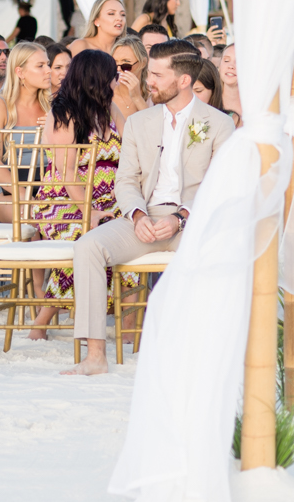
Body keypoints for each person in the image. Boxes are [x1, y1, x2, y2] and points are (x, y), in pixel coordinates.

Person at [67, 44, 234, 375]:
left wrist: (181, 218)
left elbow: (220, 187)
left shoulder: (218, 124)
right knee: (88, 246)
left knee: (223, 251)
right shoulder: (138, 122)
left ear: (184, 80)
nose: (149, 82)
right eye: (150, 73)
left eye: (157, 75)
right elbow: (125, 181)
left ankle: (209, 352)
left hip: (194, 221)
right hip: (143, 217)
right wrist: (138, 215)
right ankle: (95, 356)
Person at [27, 50, 125, 342]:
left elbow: (133, 146)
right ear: (98, 78)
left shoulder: (110, 109)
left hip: (110, 199)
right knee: (85, 239)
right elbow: (67, 173)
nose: (116, 80)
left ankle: (124, 321)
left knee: (130, 232)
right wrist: (89, 211)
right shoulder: (63, 114)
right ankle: (42, 321)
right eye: (112, 75)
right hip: (65, 201)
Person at [0, 41, 54, 196]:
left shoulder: (54, 106)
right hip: (12, 188)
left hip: (52, 185)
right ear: (20, 72)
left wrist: (56, 128)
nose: (49, 70)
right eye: (40, 66)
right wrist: (25, 198)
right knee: (30, 216)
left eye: (48, 64)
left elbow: (71, 154)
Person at [111, 35, 150, 124]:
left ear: (142, 63)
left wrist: (137, 98)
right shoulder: (107, 94)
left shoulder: (154, 94)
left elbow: (155, 129)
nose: (118, 69)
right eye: (114, 63)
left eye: (126, 64)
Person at [217, 43, 243, 127]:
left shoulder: (256, 107)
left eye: (238, 62)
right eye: (226, 61)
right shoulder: (210, 101)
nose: (231, 66)